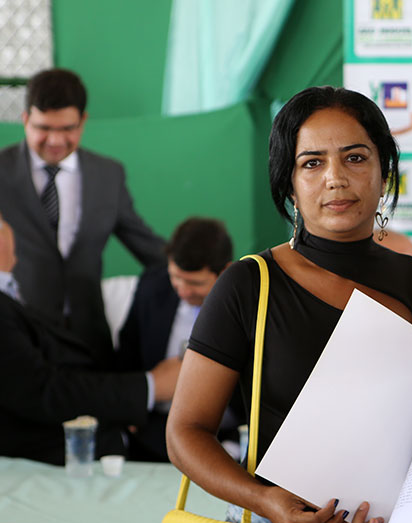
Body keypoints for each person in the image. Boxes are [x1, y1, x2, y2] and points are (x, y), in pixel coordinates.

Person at [166, 87, 412, 523]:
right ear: (289, 183)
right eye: (312, 163)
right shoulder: (249, 284)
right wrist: (264, 499)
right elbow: (185, 432)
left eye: (355, 157)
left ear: (383, 172)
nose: (335, 178)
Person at [0, 68, 165, 364]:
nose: (55, 140)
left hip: (90, 344)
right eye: (43, 128)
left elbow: (148, 246)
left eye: (67, 128)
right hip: (20, 341)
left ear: (83, 121)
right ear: (25, 120)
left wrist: (213, 273)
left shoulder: (108, 174)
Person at [0, 212, 179, 464]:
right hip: (61, 446)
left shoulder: (11, 295)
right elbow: (44, 391)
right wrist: (150, 386)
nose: (10, 228)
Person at [117, 216, 236, 462]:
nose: (182, 289)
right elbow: (126, 354)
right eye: (176, 277)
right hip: (155, 436)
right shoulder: (152, 286)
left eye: (194, 283)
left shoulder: (249, 304)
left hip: (227, 440)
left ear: (225, 271)